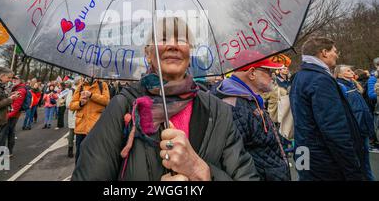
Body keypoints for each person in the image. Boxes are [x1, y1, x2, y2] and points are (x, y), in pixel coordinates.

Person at [71, 17, 258, 181]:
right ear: (148, 53)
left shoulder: (218, 112)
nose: (173, 45)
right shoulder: (123, 107)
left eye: (182, 39)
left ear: (190, 51)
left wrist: (203, 173)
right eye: (162, 38)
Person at [290, 37, 366, 180]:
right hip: (323, 158)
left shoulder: (299, 77)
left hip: (304, 150)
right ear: (324, 52)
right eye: (334, 51)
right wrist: (353, 168)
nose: (337, 55)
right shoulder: (320, 79)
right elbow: (334, 127)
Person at [212, 51, 290, 181]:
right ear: (252, 73)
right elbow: (234, 161)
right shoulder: (234, 105)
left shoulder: (246, 98)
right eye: (268, 72)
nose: (273, 76)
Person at [335, 65, 375, 181]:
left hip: (363, 127)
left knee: (365, 161)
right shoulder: (341, 86)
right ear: (339, 74)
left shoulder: (353, 84)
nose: (351, 72)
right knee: (360, 163)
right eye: (348, 70)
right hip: (356, 129)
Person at [70, 77, 110, 164]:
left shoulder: (102, 85)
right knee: (79, 155)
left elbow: (106, 101)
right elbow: (72, 105)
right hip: (81, 127)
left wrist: (91, 95)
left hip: (95, 126)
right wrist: (80, 103)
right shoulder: (80, 86)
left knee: (94, 155)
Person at [0, 75, 27, 157]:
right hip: (11, 114)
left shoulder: (20, 90)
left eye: (16, 79)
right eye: (13, 78)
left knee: (4, 133)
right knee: (10, 132)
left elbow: (16, 106)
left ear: (20, 80)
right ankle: (9, 151)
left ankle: (0, 153)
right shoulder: (15, 88)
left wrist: (7, 116)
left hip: (12, 115)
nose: (14, 80)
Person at [66, 80, 77, 158]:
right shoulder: (72, 91)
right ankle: (70, 149)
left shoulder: (83, 89)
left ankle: (79, 150)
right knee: (72, 133)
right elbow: (68, 104)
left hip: (81, 115)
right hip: (73, 114)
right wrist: (79, 104)